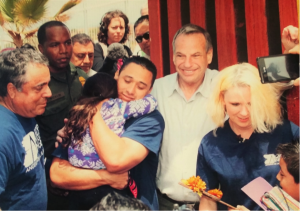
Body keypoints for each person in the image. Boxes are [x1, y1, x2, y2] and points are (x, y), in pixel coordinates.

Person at [51, 57, 165, 211]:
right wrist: (106, 177)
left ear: (150, 90)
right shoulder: (89, 107)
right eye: (127, 80)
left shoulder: (150, 120)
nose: (131, 91)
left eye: (141, 86)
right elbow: (57, 175)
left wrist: (93, 111)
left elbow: (115, 160)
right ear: (117, 75)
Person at [196, 63, 300, 211]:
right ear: (222, 101)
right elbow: (208, 200)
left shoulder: (286, 131)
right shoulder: (211, 144)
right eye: (235, 104)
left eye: (251, 104)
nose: (244, 112)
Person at [151, 24, 217, 211]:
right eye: (181, 55)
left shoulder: (224, 86)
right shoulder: (157, 89)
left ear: (209, 55)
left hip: (211, 205)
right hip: (164, 204)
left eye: (195, 55)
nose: (187, 64)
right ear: (173, 56)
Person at [36, 20, 88, 211]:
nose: (64, 50)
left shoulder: (80, 76)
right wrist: (47, 174)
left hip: (85, 168)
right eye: (55, 44)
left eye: (67, 42)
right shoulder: (38, 85)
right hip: (53, 174)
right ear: (41, 48)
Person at [0, 48, 51, 210]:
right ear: (12, 90)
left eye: (48, 84)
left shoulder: (26, 113)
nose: (49, 93)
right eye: (39, 87)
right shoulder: (3, 137)